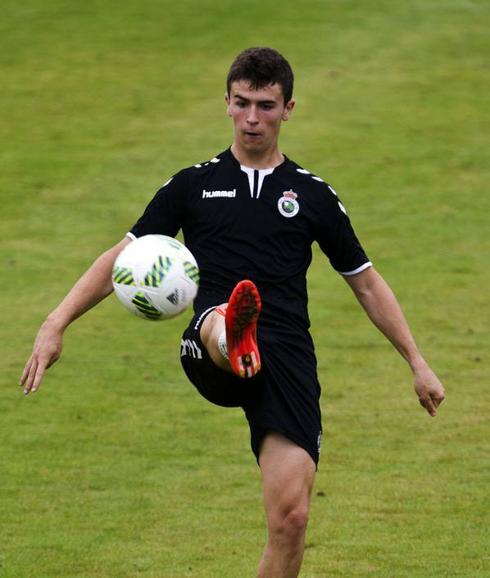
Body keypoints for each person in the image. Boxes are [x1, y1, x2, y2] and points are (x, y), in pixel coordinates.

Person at [20, 47, 445, 578]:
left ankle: (246, 338)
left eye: (265, 106)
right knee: (223, 316)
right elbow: (120, 261)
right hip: (207, 344)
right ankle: (234, 335)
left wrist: (417, 361)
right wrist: (54, 322)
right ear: (225, 102)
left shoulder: (311, 196)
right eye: (241, 103)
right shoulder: (191, 186)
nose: (251, 118)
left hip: (286, 357)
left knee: (291, 519)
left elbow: (365, 282)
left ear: (289, 109)